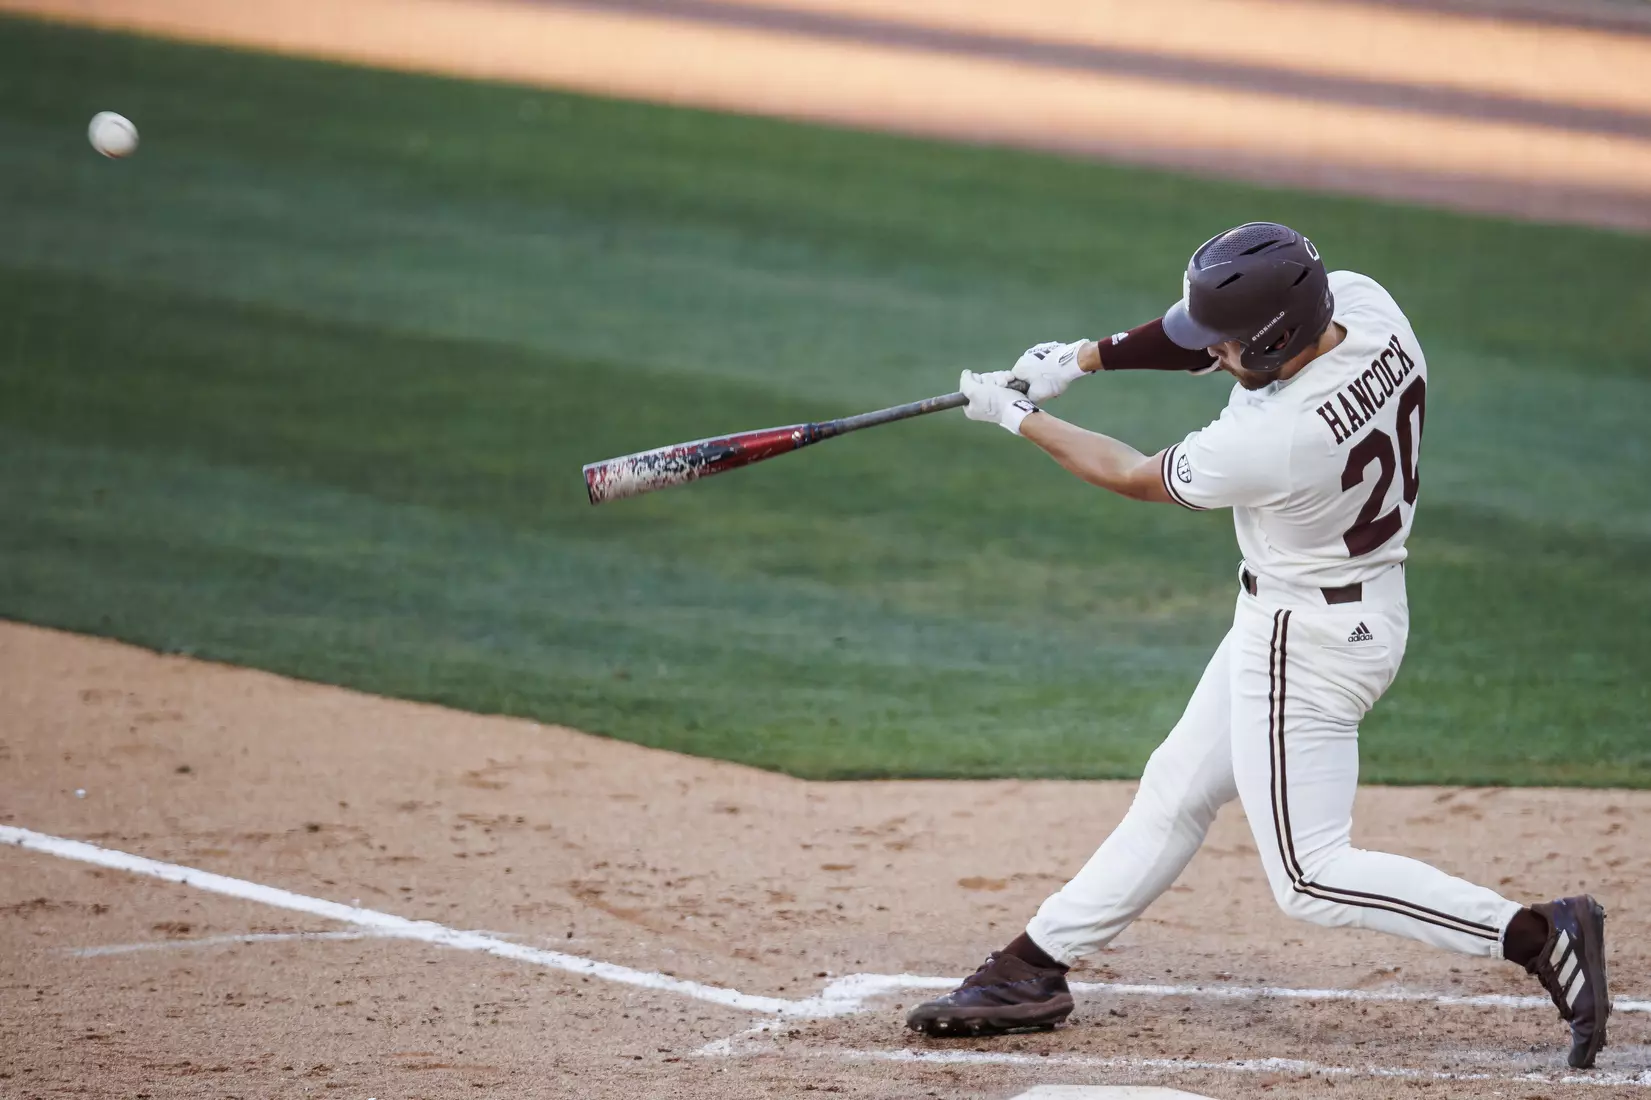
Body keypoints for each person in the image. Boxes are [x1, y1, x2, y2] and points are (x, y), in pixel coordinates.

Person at [905, 221, 1610, 1070]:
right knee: (1176, 788)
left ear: (1276, 340)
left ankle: (1537, 935)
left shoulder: (1276, 440)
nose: (1215, 351)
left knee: (1310, 877)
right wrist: (1083, 359)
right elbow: (1203, 338)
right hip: (1353, 606)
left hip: (1302, 638)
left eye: (1232, 342)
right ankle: (1032, 966)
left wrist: (1017, 417)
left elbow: (1132, 474)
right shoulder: (1362, 303)